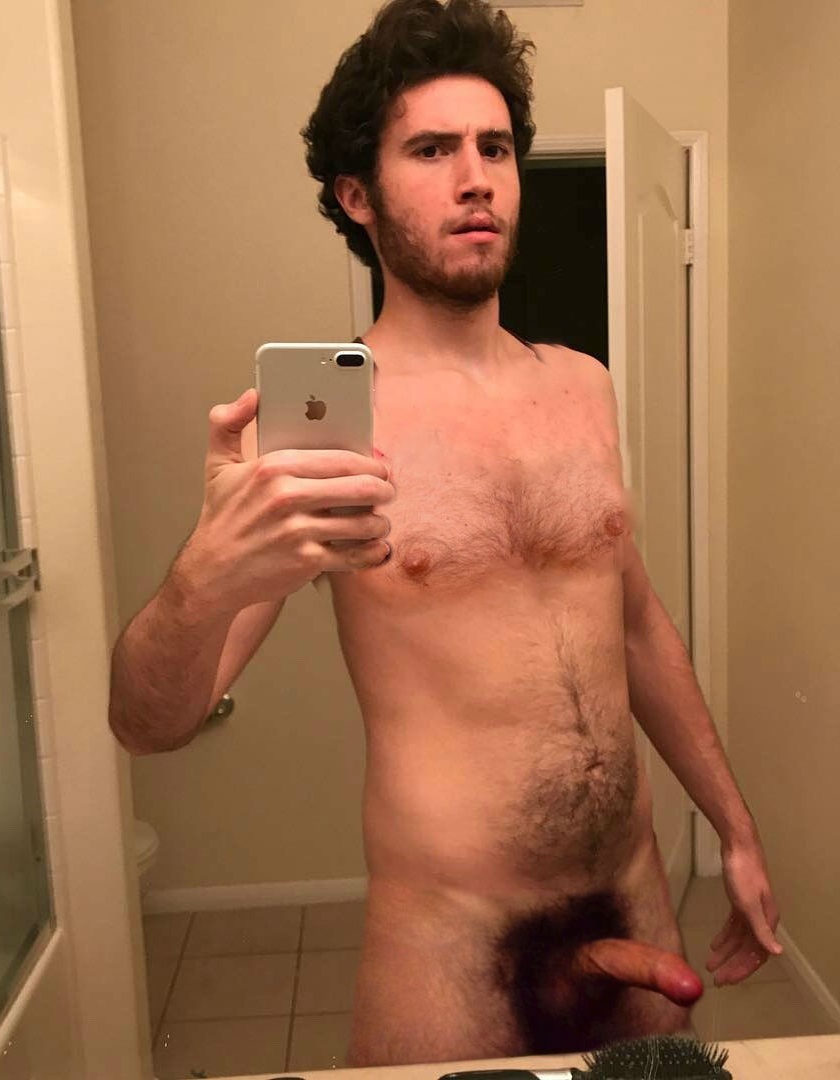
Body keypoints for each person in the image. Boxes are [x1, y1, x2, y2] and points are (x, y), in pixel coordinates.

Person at [109, 0, 782, 1065]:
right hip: (455, 952)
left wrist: (735, 828)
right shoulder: (320, 435)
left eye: (495, 148)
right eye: (432, 150)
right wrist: (204, 575)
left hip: (636, 909)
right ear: (357, 196)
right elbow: (149, 724)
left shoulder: (584, 387)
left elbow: (639, 627)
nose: (477, 178)